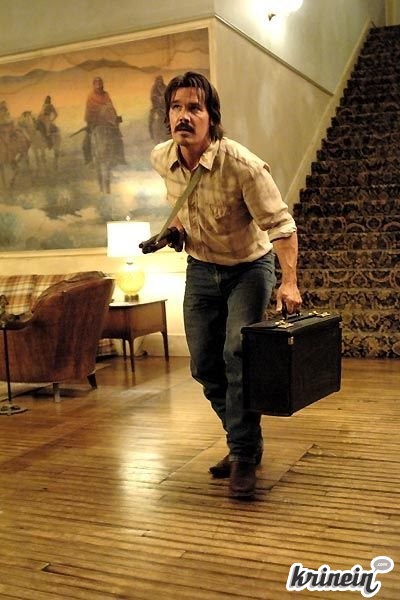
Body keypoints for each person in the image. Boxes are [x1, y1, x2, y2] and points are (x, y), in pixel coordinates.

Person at [146, 71, 302, 500]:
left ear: (211, 117)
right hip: (201, 268)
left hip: (248, 269)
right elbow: (181, 202)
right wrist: (175, 230)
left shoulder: (242, 165)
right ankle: (243, 439)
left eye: (194, 108)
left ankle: (243, 454)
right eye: (176, 107)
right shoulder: (162, 158)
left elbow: (282, 226)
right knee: (204, 365)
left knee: (237, 355)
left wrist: (289, 282)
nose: (184, 116)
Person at [82, 76, 125, 165]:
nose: (99, 85)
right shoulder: (91, 96)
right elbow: (89, 110)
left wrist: (114, 116)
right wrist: (92, 119)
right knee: (86, 143)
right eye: (97, 83)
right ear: (94, 85)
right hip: (95, 121)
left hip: (107, 121)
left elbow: (111, 106)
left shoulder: (106, 94)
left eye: (100, 83)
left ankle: (120, 158)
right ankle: (89, 160)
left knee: (118, 138)